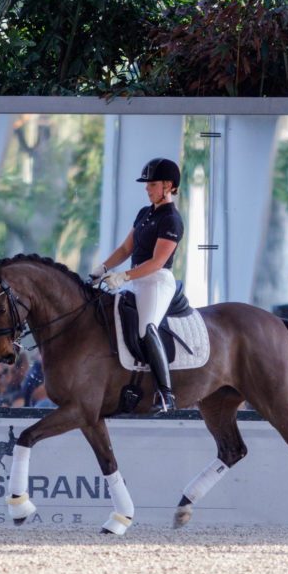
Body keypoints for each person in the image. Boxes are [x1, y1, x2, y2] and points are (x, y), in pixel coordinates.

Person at [91, 157, 185, 412]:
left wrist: (123, 277)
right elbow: (125, 249)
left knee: (146, 327)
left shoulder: (172, 220)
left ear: (168, 185)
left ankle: (166, 395)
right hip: (135, 279)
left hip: (156, 280)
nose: (147, 188)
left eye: (152, 184)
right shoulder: (144, 214)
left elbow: (157, 262)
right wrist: (103, 269)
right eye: (147, 184)